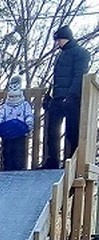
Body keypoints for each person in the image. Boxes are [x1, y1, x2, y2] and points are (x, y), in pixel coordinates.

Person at [42, 25, 91, 169]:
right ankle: (52, 161)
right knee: (52, 131)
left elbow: (79, 75)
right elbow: (57, 78)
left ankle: (71, 161)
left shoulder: (81, 53)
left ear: (65, 38)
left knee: (72, 131)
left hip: (72, 98)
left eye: (58, 40)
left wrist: (71, 95)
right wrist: (50, 95)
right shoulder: (61, 55)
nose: (57, 43)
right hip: (57, 97)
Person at [0, 76, 35, 171]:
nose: (14, 98)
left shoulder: (24, 105)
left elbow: (28, 115)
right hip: (7, 133)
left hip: (20, 133)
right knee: (7, 151)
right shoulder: (5, 107)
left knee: (19, 150)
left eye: (16, 96)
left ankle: (19, 167)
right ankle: (7, 168)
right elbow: (0, 116)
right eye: (12, 96)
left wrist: (29, 125)